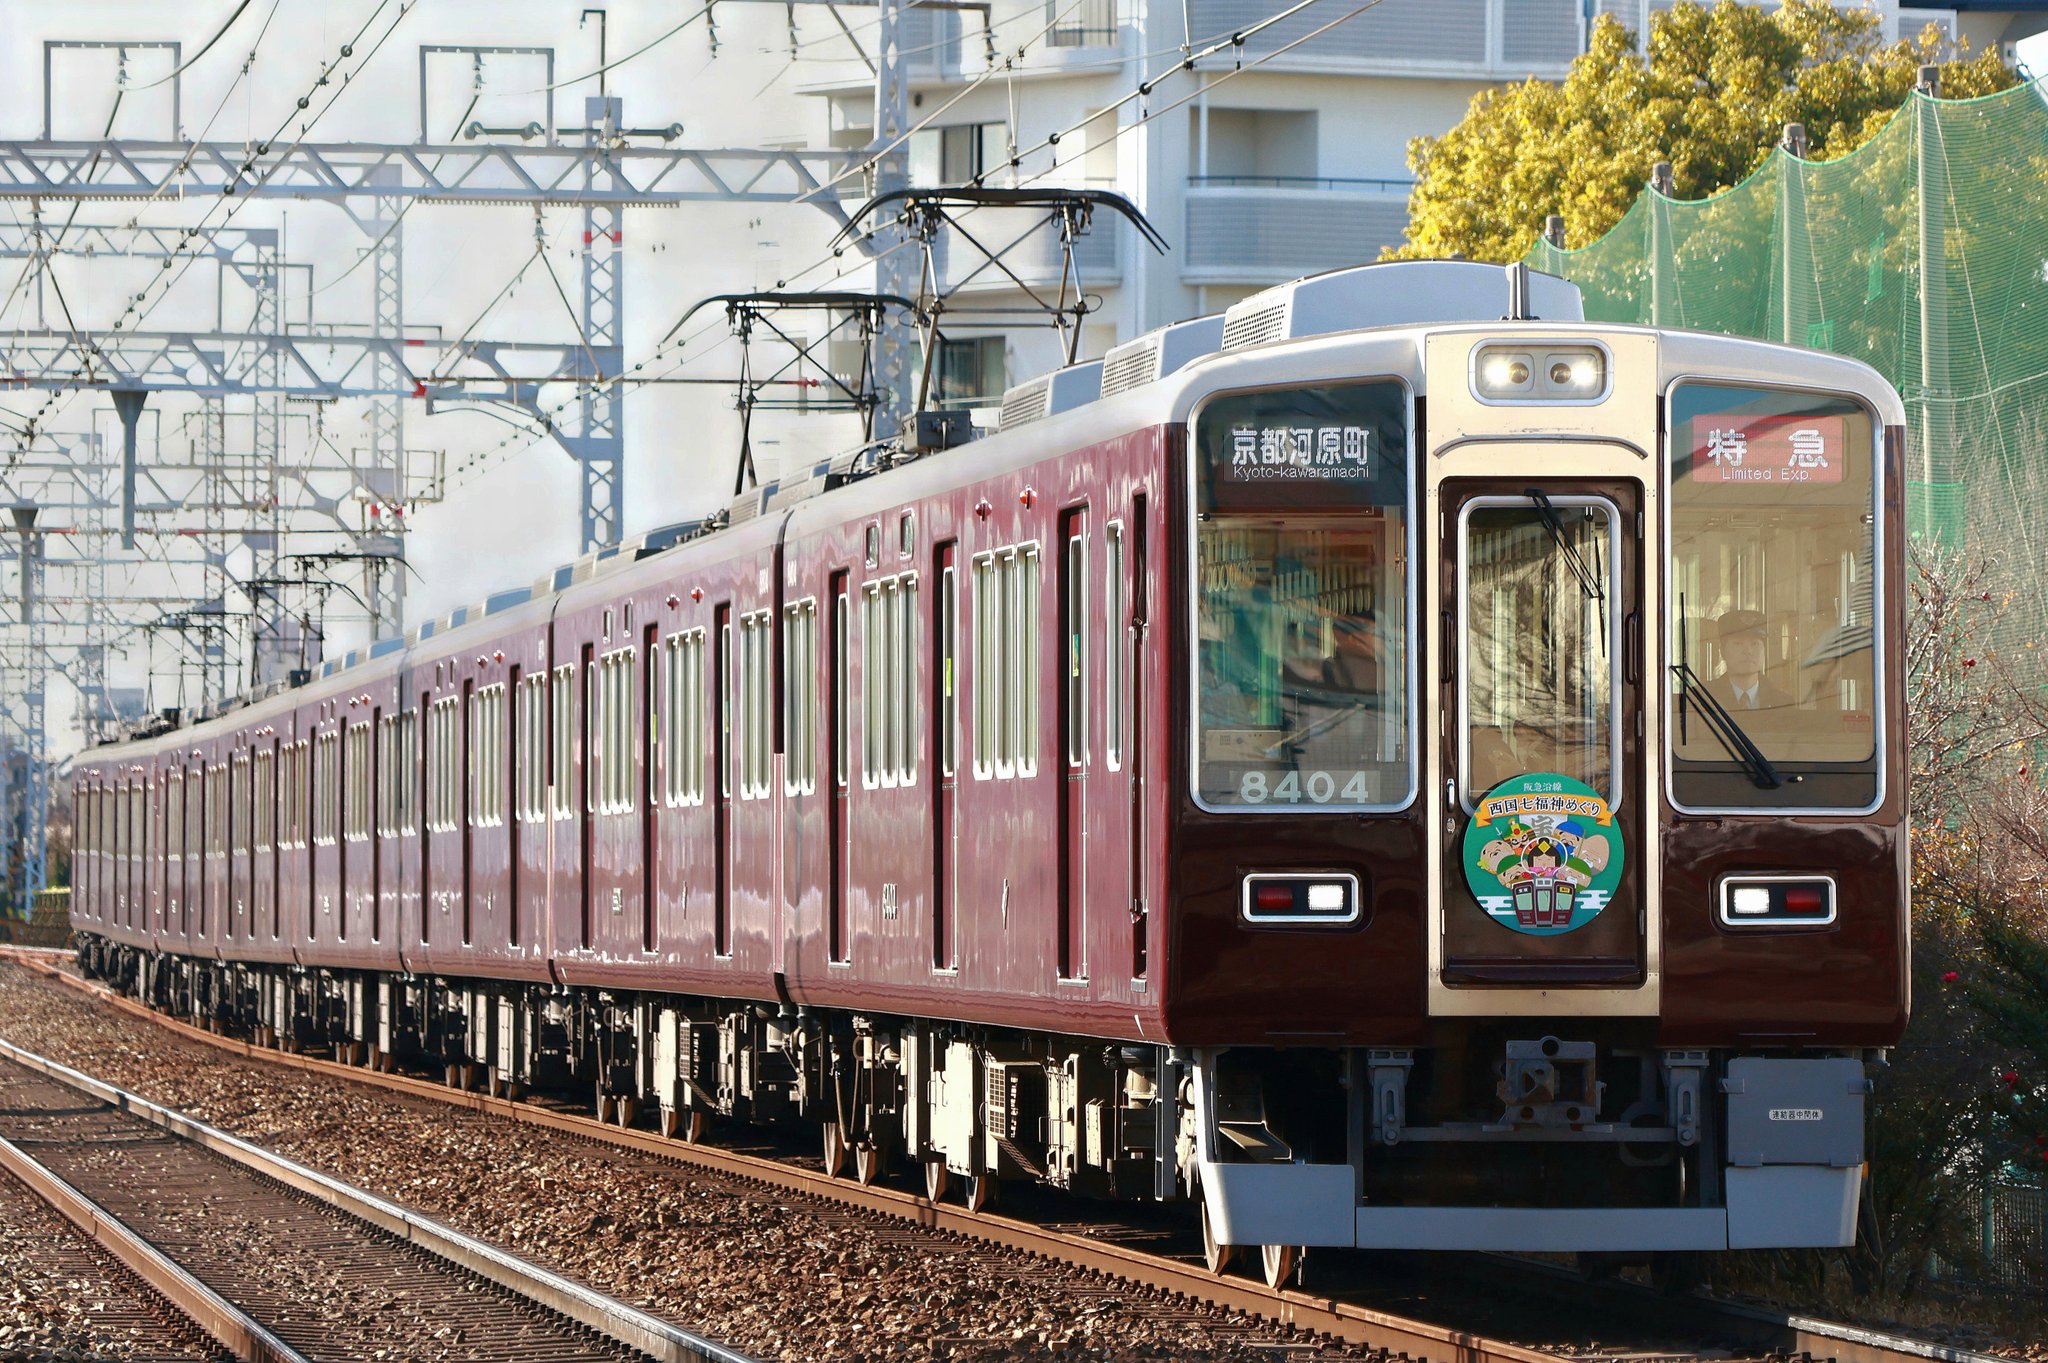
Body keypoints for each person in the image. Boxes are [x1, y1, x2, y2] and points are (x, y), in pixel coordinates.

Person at [1704, 609, 1791, 713]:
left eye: (1755, 644)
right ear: (1722, 651)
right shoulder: (1704, 699)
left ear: (1764, 651)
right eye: (1738, 643)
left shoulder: (1783, 703)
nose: (1748, 651)